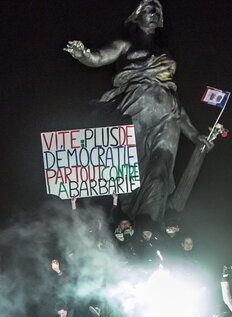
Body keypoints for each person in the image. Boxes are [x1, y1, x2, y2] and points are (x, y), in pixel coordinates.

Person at [64, 0, 213, 223]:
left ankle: (150, 228)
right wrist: (82, 54)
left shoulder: (164, 52)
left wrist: (192, 134)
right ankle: (128, 228)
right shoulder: (124, 44)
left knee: (160, 173)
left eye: (158, 10)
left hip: (168, 115)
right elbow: (97, 57)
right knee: (130, 174)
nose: (154, 13)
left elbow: (173, 98)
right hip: (136, 110)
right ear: (137, 15)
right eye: (148, 9)